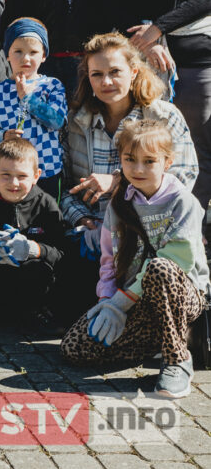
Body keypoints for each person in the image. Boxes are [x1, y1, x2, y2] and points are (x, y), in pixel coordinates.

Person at [61, 119, 209, 399]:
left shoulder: (184, 203)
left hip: (182, 295)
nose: (138, 169)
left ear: (167, 162)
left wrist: (122, 300)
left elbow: (178, 259)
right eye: (130, 159)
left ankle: (177, 357)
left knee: (160, 268)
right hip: (132, 299)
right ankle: (159, 336)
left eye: (149, 161)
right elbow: (108, 261)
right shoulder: (119, 203)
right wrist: (107, 303)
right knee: (74, 348)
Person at [115, 0, 211, 228]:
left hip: (197, 62)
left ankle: (191, 232)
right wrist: (148, 42)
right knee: (150, 147)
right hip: (147, 63)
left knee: (197, 151)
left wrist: (159, 28)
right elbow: (122, 3)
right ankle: (151, 229)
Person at [61, 33, 197, 238]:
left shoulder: (164, 116)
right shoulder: (75, 122)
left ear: (133, 72)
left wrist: (120, 180)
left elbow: (183, 176)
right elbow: (61, 184)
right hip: (88, 234)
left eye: (115, 71)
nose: (106, 81)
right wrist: (80, 217)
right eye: (97, 74)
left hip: (148, 232)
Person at [0, 138, 81, 329]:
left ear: (36, 176)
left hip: (34, 282)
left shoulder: (46, 205)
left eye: (22, 176)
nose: (14, 183)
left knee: (38, 268)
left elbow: (63, 253)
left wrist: (35, 249)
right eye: (6, 175)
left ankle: (36, 308)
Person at [0, 18, 68, 198]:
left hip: (47, 169)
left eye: (33, 52)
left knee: (48, 215)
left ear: (43, 56)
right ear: (7, 55)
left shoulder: (52, 85)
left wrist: (28, 98)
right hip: (12, 176)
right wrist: (2, 136)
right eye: (18, 51)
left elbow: (57, 121)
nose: (25, 58)